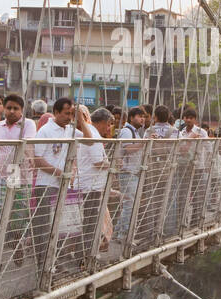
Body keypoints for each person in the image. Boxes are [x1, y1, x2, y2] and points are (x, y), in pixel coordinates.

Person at [0, 92, 35, 264]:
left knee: (17, 214)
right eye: (8, 108)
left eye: (16, 108)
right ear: (4, 109)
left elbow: (27, 146)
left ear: (22, 110)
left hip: (19, 174)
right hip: (1, 173)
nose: (12, 111)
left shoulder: (27, 125)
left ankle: (17, 244)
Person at [31, 97, 75, 266]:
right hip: (46, 184)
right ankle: (41, 263)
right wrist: (59, 173)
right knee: (43, 225)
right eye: (66, 113)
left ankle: (54, 261)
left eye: (71, 114)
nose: (69, 117)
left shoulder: (69, 130)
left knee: (59, 225)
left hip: (62, 185)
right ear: (56, 112)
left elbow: (88, 137)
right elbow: (38, 160)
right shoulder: (44, 131)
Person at [74, 107, 115, 262]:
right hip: (90, 186)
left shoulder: (91, 131)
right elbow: (98, 161)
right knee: (89, 224)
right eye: (109, 124)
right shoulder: (92, 133)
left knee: (89, 223)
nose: (109, 128)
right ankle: (84, 257)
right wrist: (111, 164)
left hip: (89, 185)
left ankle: (84, 256)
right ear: (103, 122)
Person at [114, 106, 147, 239]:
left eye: (144, 117)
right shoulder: (127, 131)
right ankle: (123, 235)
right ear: (132, 117)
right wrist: (144, 143)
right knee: (129, 205)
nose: (142, 119)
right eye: (140, 116)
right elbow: (128, 149)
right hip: (128, 173)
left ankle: (117, 232)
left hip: (133, 172)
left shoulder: (135, 132)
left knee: (130, 204)